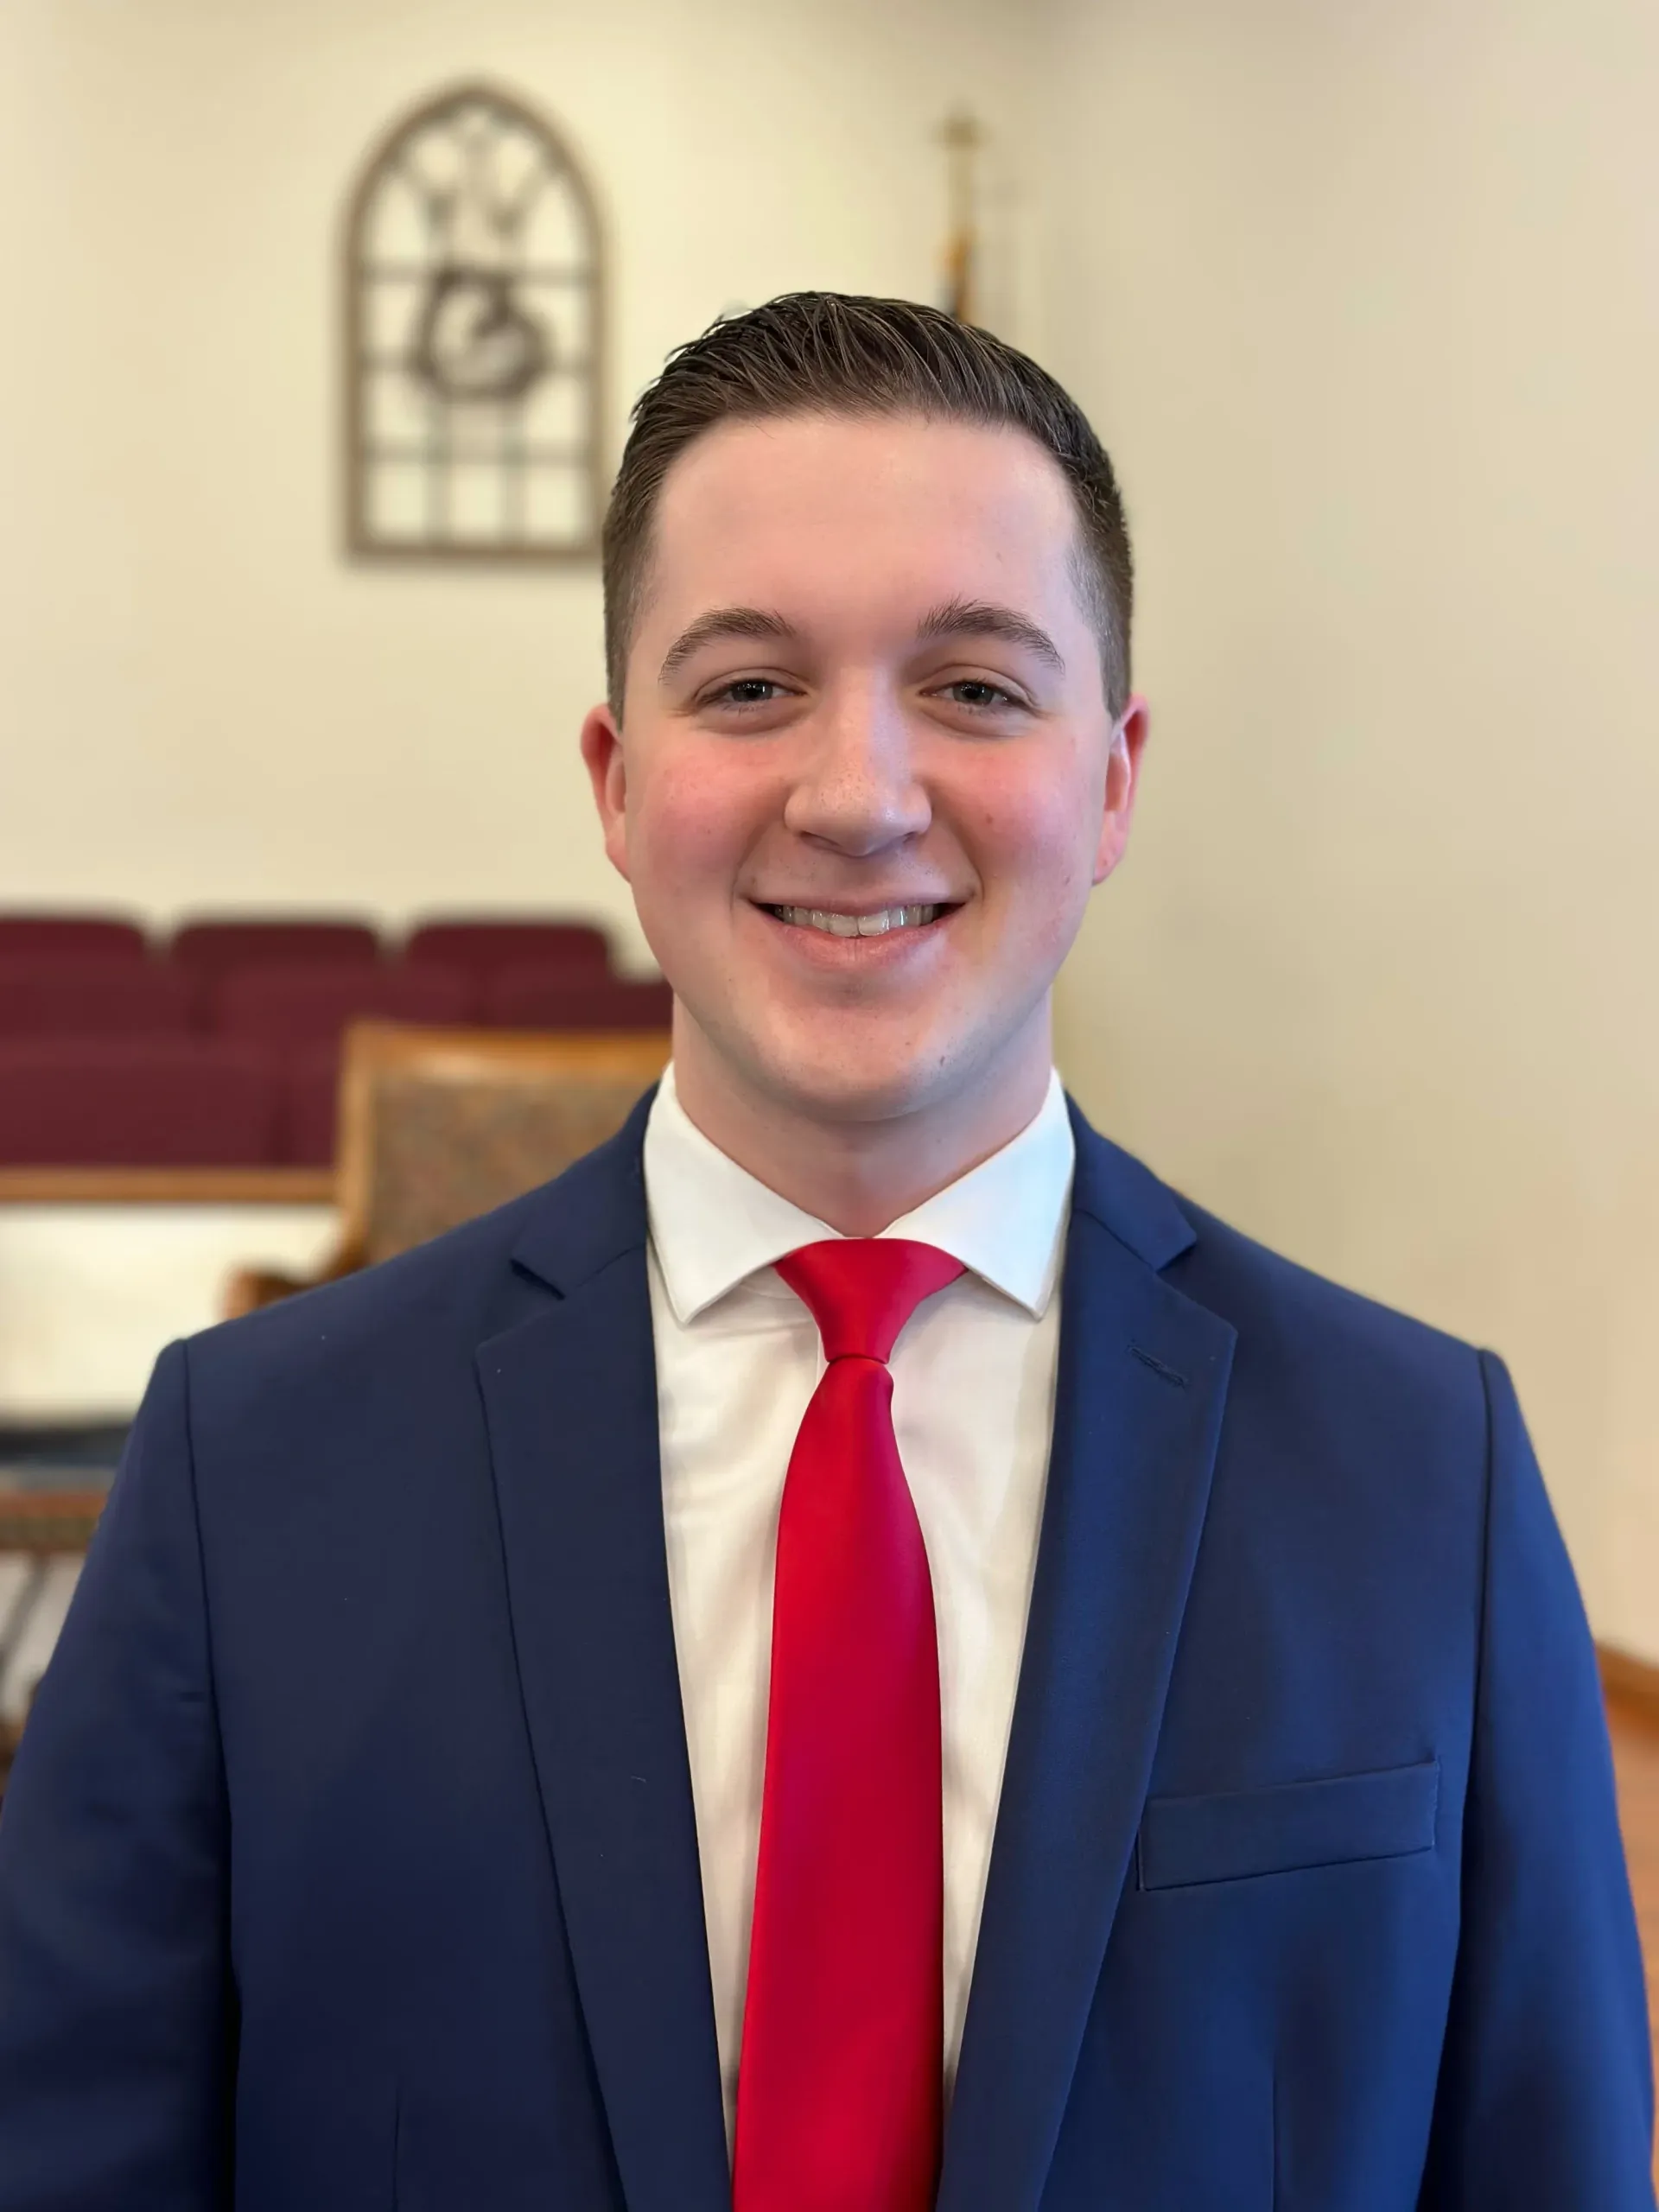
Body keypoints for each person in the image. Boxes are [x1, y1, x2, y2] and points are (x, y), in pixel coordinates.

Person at [0, 293, 1650, 2211]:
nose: (859, 796)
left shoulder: (1416, 1468)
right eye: (751, 685)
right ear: (618, 781)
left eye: (973, 684)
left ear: (1112, 777)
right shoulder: (250, 1464)